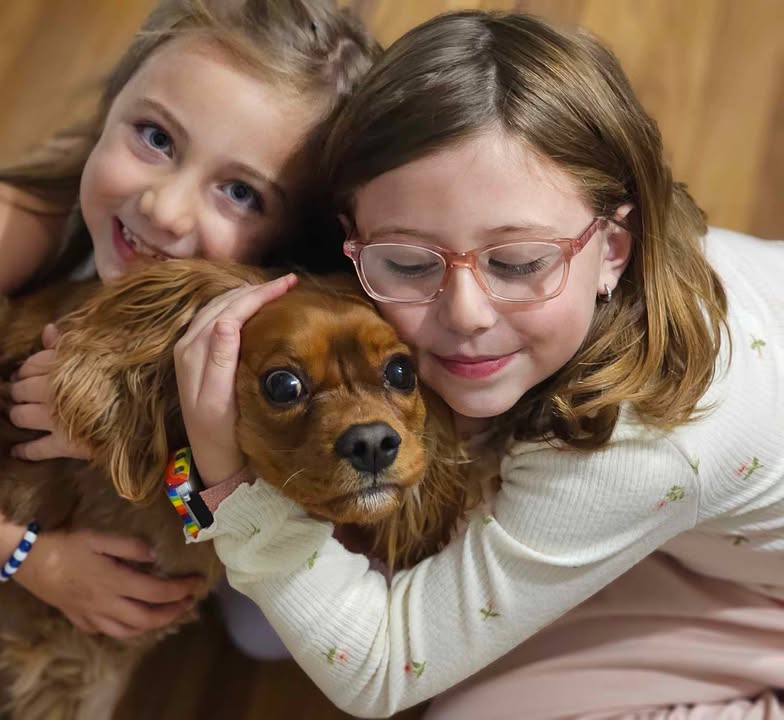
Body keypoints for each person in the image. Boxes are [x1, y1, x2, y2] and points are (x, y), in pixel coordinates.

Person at [173, 9, 784, 718]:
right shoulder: (593, 252)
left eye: (519, 262)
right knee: (274, 627)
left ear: (613, 251)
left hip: (755, 588)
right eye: (406, 261)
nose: (465, 314)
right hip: (714, 542)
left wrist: (221, 484)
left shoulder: (640, 450)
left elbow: (378, 672)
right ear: (354, 241)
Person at [0, 0, 377, 640]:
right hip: (46, 515)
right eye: (157, 137)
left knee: (264, 633)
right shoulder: (44, 205)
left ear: (288, 240)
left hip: (230, 492)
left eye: (240, 192)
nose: (164, 208)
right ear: (110, 107)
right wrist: (25, 555)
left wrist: (134, 441)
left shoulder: (292, 319)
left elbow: (216, 507)